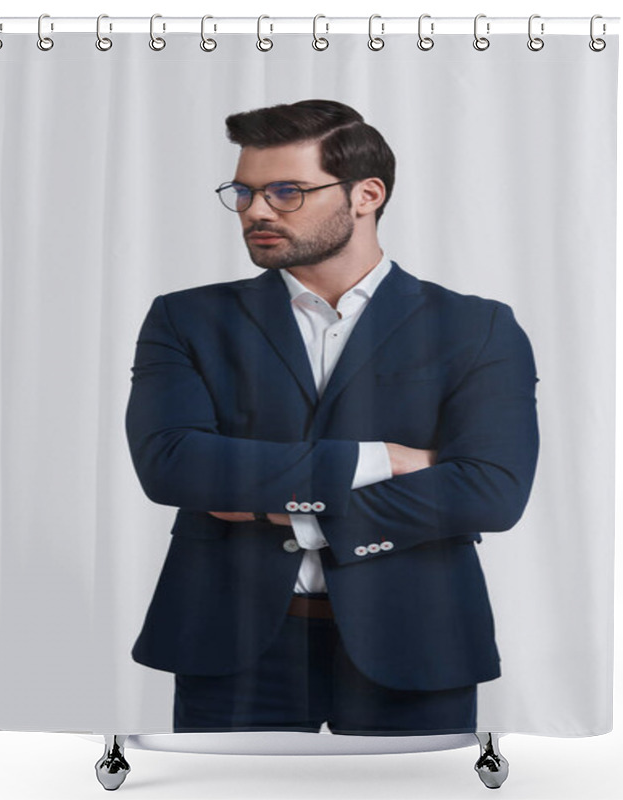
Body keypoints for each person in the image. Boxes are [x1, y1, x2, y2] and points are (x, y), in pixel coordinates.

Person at [125, 99, 539, 736]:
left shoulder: (476, 327)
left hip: (417, 639)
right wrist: (380, 460)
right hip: (230, 640)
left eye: (286, 191)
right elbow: (173, 466)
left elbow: (492, 491)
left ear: (366, 194)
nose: (257, 211)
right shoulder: (186, 320)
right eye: (244, 191)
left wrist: (285, 510)